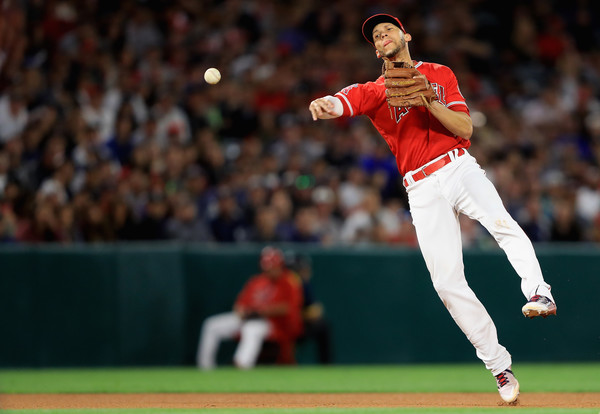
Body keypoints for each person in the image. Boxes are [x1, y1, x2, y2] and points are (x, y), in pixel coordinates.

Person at [308, 13, 557, 404]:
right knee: (445, 282)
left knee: (501, 223)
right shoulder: (377, 90)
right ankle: (499, 367)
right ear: (376, 49)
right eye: (376, 34)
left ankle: (540, 293)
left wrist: (427, 100)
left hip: (457, 165)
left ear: (405, 35)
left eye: (389, 28)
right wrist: (326, 103)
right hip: (420, 188)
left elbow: (466, 129)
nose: (383, 35)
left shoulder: (439, 73)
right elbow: (347, 99)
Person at [196, 246, 303, 369]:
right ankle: (205, 367)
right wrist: (241, 311)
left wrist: (262, 312)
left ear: (280, 265)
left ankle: (241, 365)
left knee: (252, 328)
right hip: (248, 317)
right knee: (211, 325)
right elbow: (239, 304)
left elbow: (288, 308)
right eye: (267, 267)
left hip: (271, 323)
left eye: (273, 266)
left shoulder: (289, 281)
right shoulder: (256, 281)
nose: (269, 270)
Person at [286, 252, 333, 364]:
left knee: (322, 325)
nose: (306, 272)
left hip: (298, 323)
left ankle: (326, 365)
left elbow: (315, 309)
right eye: (303, 269)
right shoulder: (289, 282)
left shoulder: (303, 284)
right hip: (284, 323)